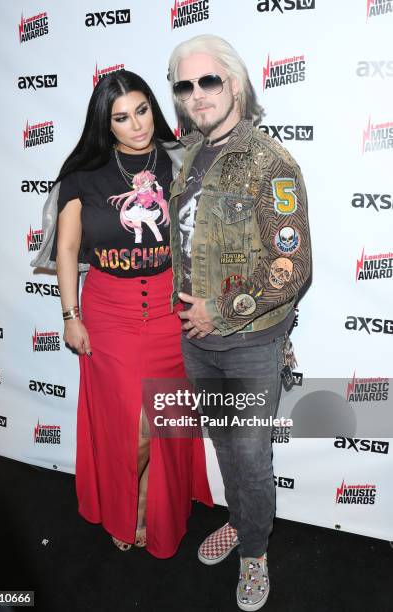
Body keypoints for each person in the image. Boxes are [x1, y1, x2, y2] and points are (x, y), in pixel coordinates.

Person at [31, 70, 212, 558]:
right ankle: (127, 506)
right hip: (109, 312)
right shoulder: (83, 175)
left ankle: (155, 510)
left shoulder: (183, 161)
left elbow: (209, 238)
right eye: (121, 117)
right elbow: (67, 250)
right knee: (131, 427)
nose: (136, 125)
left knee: (162, 423)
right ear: (105, 124)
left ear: (154, 107)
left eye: (143, 110)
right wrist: (70, 315)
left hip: (171, 311)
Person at [167, 35, 311, 609]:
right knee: (226, 446)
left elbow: (292, 265)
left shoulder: (270, 162)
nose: (197, 95)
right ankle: (239, 520)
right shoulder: (190, 156)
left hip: (250, 342)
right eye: (184, 85)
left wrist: (219, 310)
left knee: (250, 456)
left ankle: (254, 553)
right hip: (197, 341)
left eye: (209, 81)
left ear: (235, 84)